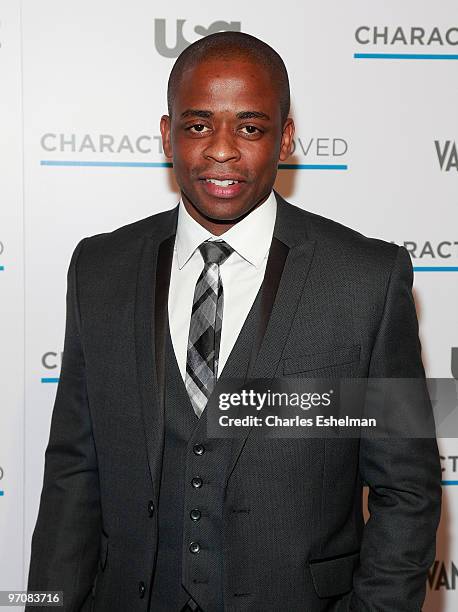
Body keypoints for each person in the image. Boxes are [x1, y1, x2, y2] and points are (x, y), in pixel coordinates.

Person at [27, 31, 441, 612]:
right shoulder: (100, 269)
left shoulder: (367, 279)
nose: (222, 149)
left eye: (250, 127)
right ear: (168, 134)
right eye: (198, 125)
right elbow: (74, 472)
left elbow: (408, 489)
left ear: (287, 137)